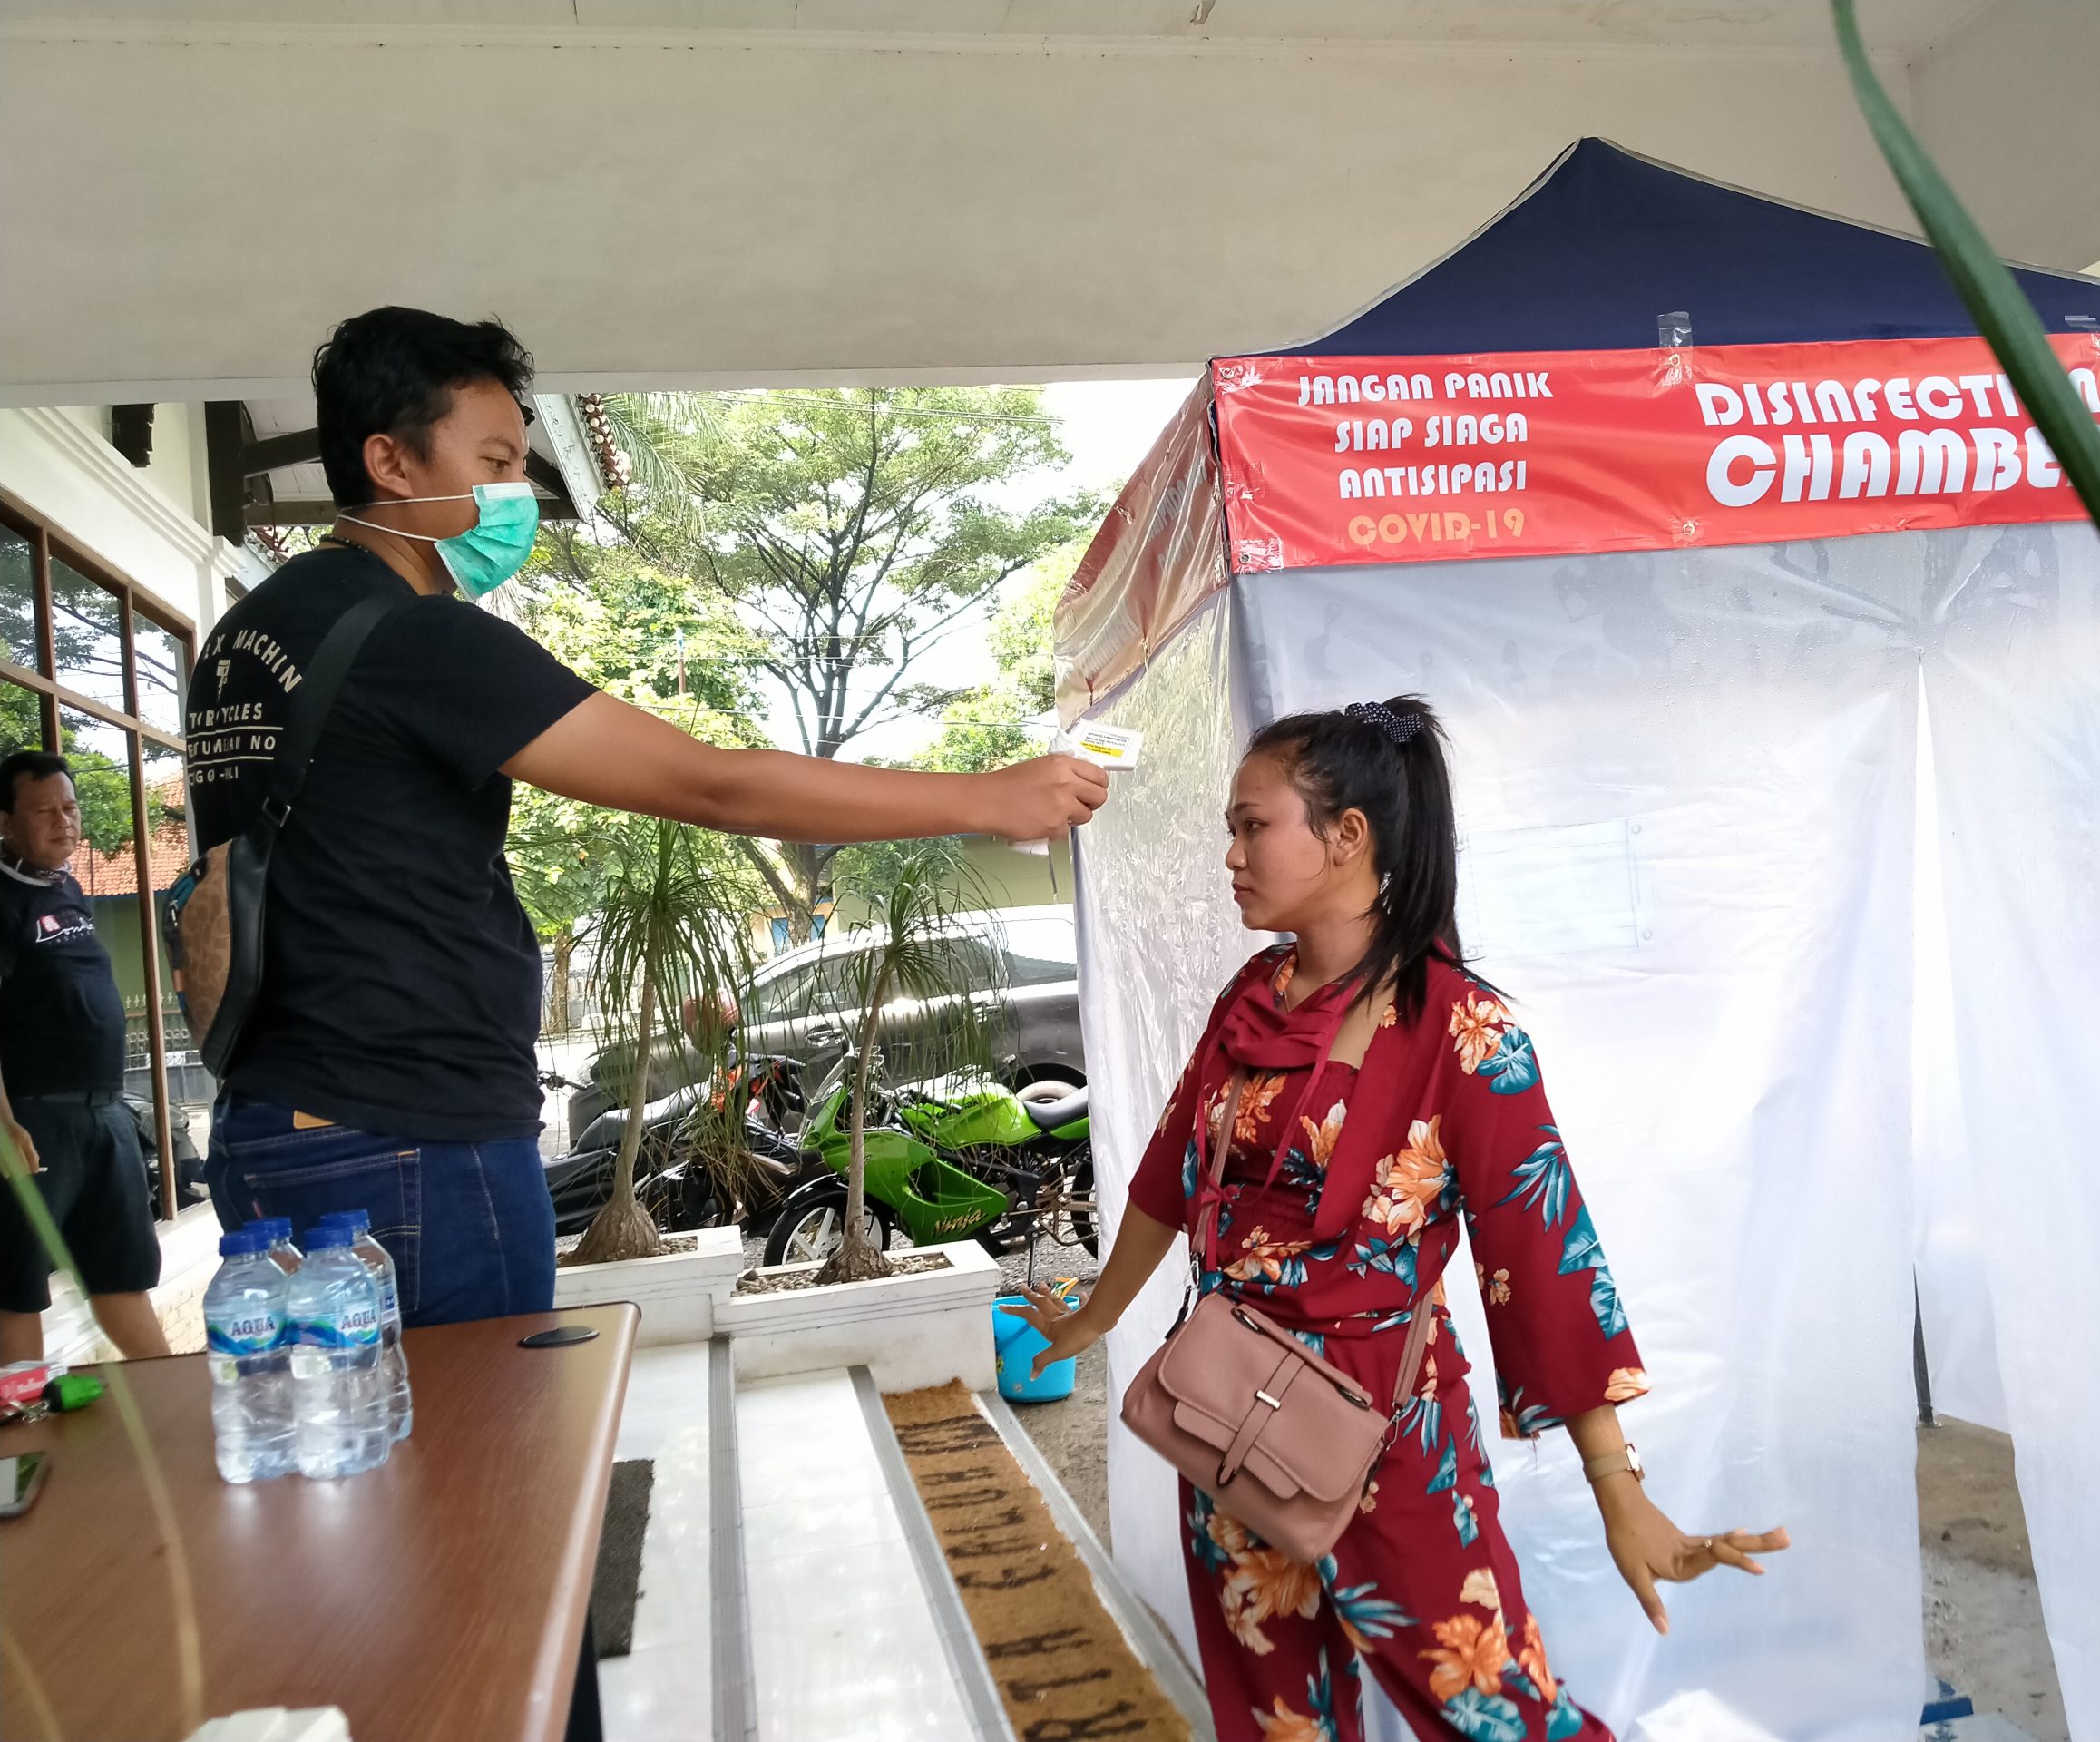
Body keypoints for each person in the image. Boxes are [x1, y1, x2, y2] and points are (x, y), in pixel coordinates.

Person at [190, 306, 1107, 1329]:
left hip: (275, 1128)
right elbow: (711, 783)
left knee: (346, 1459)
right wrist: (983, 797)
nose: (514, 493)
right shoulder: (414, 636)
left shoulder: (245, 635)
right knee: (479, 1463)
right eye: (492, 460)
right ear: (390, 462)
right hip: (411, 1132)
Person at [1009, 698, 1785, 1742]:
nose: (1231, 854)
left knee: (1490, 1710)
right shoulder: (1254, 995)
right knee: (1276, 1718)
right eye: (1231, 830)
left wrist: (1618, 1490)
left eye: (1252, 825)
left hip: (1388, 1433)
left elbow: (1545, 1256)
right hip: (1223, 1408)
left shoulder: (1463, 1032)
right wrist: (1095, 1318)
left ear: (1346, 837)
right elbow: (1169, 1173)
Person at [0, 752, 171, 1363]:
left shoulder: (67, 887)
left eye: (69, 808)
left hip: (104, 1115)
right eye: (42, 810)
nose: (62, 821)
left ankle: (176, 1400)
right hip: (35, 1121)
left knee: (121, 1273)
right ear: (5, 822)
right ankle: (20, 1442)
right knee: (17, 1288)